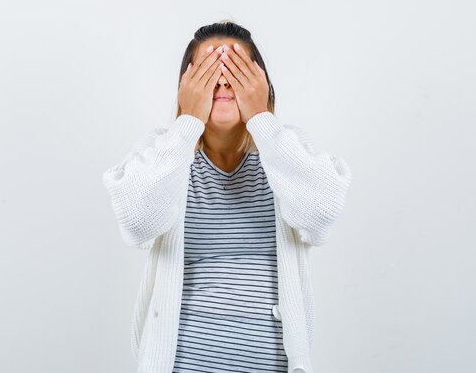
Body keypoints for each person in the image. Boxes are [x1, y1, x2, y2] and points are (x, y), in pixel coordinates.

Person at [102, 20, 353, 373]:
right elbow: (137, 224)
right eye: (207, 71)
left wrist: (261, 118)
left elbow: (322, 214)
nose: (222, 80)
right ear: (185, 85)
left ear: (261, 82)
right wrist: (188, 121)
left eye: (236, 70)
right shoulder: (163, 152)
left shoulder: (286, 149)